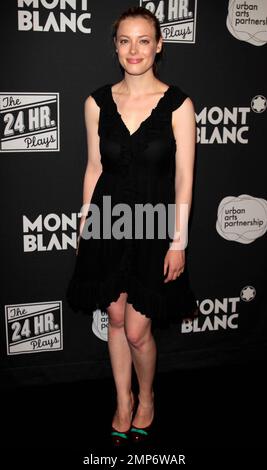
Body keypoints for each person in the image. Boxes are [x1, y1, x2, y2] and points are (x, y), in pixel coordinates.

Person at [66, 6, 198, 446]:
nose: (134, 49)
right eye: (125, 40)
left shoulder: (179, 104)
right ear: (116, 47)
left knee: (139, 330)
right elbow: (92, 168)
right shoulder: (96, 102)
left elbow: (184, 179)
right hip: (106, 222)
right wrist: (86, 226)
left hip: (155, 225)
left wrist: (178, 240)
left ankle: (148, 397)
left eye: (144, 40)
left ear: (159, 45)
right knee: (116, 317)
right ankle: (123, 402)